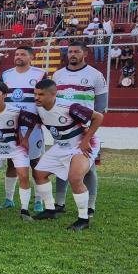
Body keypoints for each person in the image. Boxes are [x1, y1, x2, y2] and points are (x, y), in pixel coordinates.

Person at [31, 79, 104, 231]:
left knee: (75, 178)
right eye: (35, 94)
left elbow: (98, 117)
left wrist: (86, 140)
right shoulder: (38, 108)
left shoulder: (69, 106)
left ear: (53, 94)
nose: (37, 97)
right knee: (39, 173)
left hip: (81, 145)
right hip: (61, 146)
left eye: (41, 94)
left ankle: (83, 219)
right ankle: (50, 210)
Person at [51, 42, 108, 215]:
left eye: (77, 51)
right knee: (62, 165)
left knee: (88, 167)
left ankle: (90, 206)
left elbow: (101, 105)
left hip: (85, 130)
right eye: (70, 52)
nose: (73, 54)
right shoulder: (58, 75)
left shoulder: (95, 75)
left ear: (85, 53)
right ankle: (59, 203)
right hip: (63, 130)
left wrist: (91, 130)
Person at [0, 82, 35, 220]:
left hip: (16, 148)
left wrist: (26, 139)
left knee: (23, 176)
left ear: (4, 95)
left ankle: (24, 210)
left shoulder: (15, 111)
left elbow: (33, 121)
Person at [1, 45, 46, 210]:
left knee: (36, 163)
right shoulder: (6, 75)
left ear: (31, 57)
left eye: (22, 54)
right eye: (16, 54)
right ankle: (8, 199)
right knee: (11, 163)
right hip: (11, 127)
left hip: (32, 128)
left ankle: (39, 200)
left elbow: (44, 98)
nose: (18, 56)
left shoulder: (39, 74)